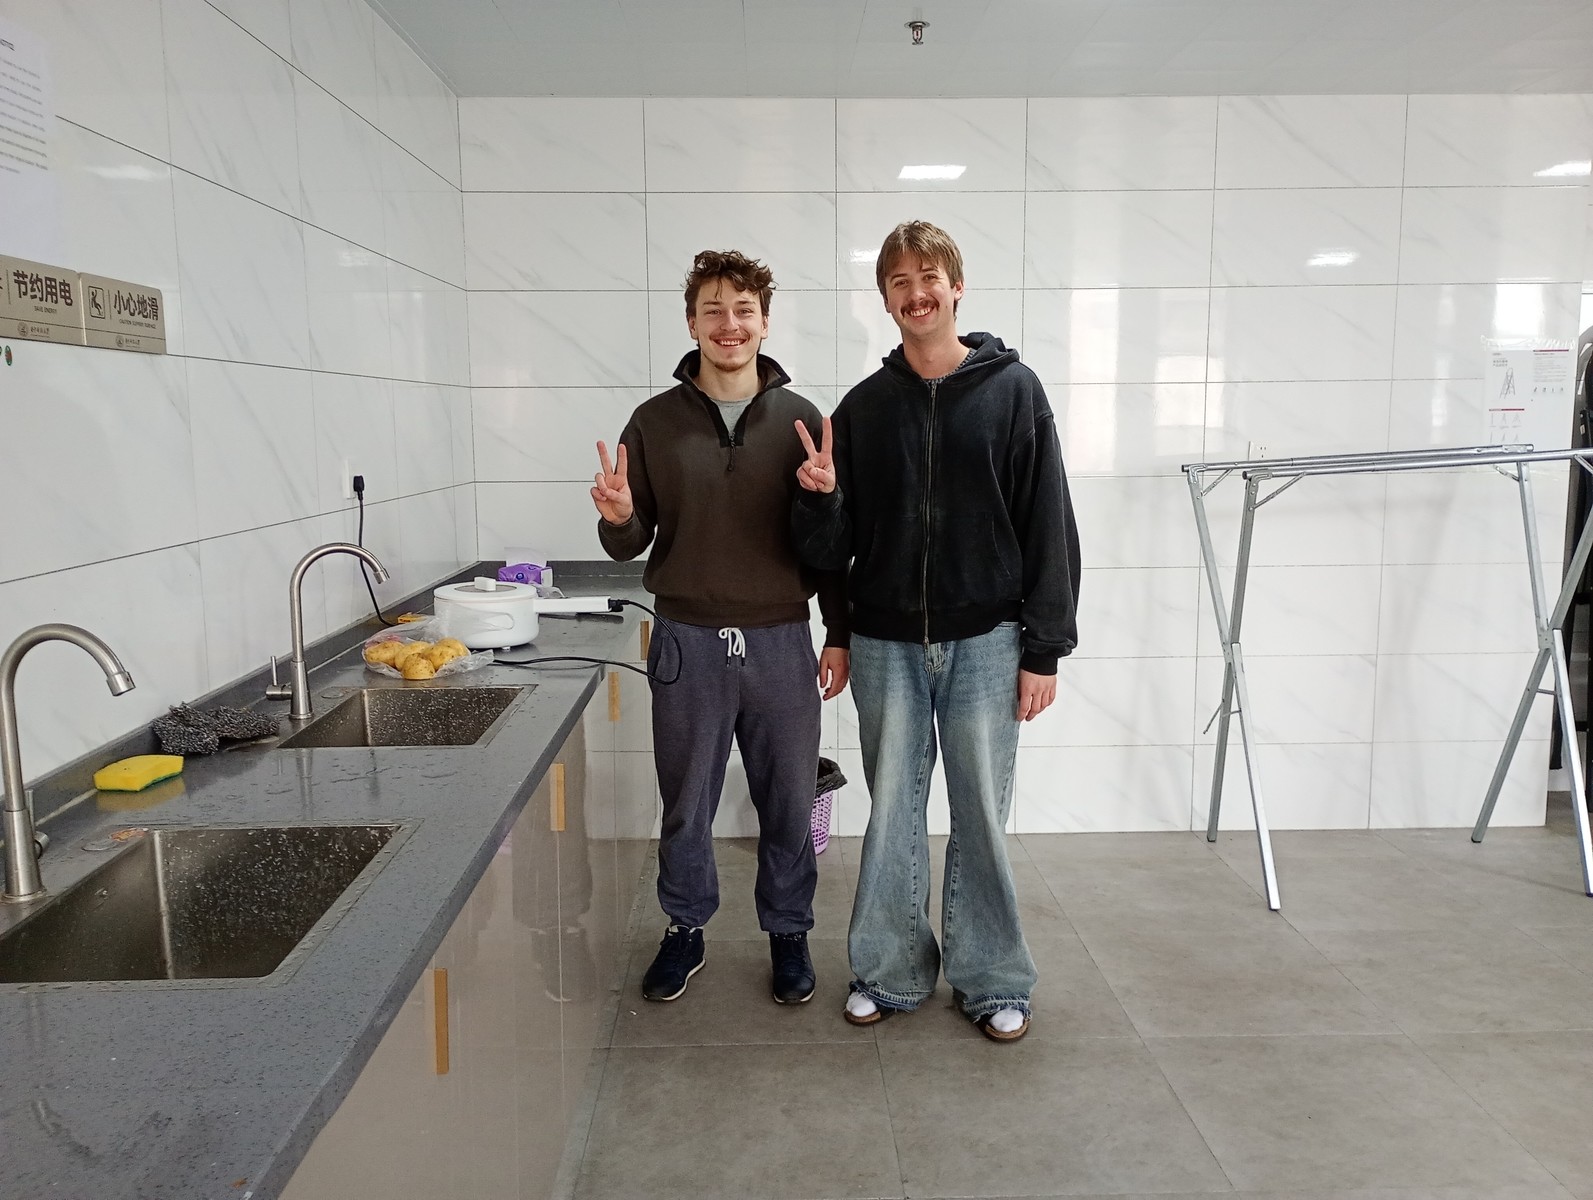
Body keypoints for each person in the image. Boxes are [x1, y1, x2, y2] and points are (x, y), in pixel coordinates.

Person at [791, 220, 1079, 1042]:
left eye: (929, 277)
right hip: (883, 645)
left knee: (980, 815)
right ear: (884, 298)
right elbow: (831, 551)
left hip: (987, 641)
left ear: (956, 286)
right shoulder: (863, 408)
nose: (916, 294)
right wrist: (820, 503)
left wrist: (1043, 648)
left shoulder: (1012, 391)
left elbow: (1048, 523)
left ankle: (993, 980)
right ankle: (888, 973)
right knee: (891, 815)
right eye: (899, 282)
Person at [593, 249, 850, 1006]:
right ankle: (684, 929)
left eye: (743, 310)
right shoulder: (654, 422)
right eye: (713, 310)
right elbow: (628, 542)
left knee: (787, 801)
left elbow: (827, 550)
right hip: (686, 641)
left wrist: (824, 504)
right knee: (686, 803)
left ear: (765, 323)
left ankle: (788, 931)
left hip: (780, 640)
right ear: (691, 323)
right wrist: (619, 517)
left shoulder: (802, 421)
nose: (729, 324)